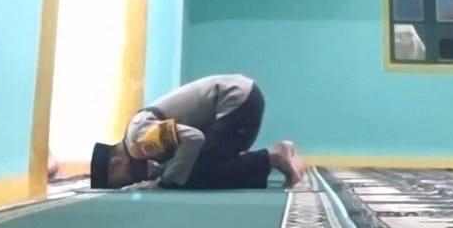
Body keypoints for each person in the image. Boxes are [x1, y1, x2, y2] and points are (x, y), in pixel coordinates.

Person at [90, 74, 305, 190]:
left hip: (238, 103)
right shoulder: (137, 135)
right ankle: (270, 160)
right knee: (189, 171)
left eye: (119, 181)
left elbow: (193, 139)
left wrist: (164, 183)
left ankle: (274, 156)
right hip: (244, 100)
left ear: (116, 163)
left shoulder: (138, 140)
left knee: (193, 173)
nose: (128, 182)